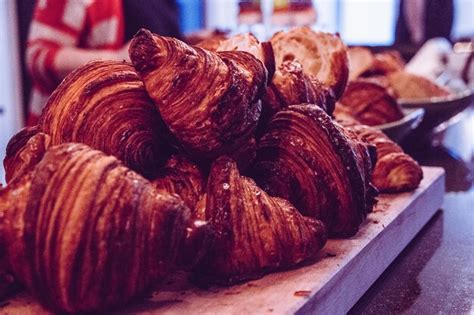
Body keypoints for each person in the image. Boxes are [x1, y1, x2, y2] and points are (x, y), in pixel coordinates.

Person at [25, 0, 181, 125]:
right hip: (75, 140)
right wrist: (116, 59)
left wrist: (190, 45)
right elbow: (38, 57)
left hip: (148, 132)